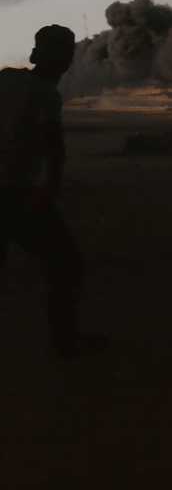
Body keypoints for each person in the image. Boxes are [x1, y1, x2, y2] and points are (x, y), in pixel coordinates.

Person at [1, 24, 84, 358]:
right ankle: (65, 344)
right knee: (67, 265)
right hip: (14, 194)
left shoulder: (6, 79)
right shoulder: (46, 95)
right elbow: (55, 148)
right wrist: (49, 191)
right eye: (66, 52)